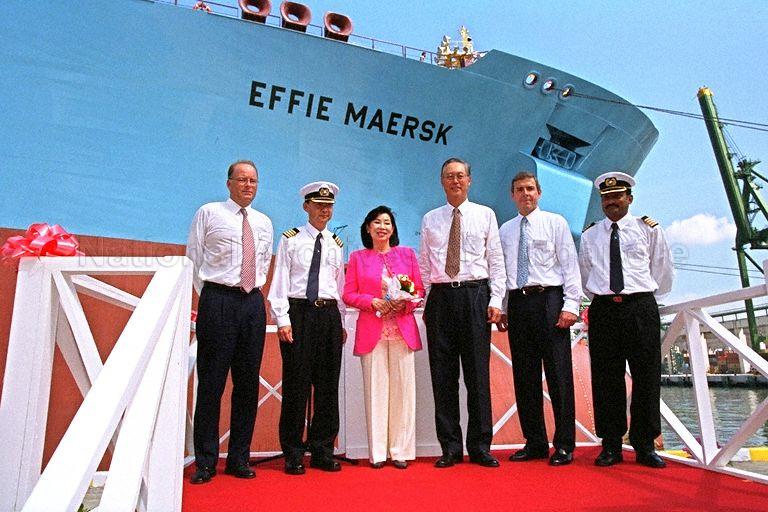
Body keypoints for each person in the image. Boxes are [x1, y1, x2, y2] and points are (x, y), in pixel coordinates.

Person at [186, 160, 273, 484]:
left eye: (253, 180)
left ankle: (239, 458)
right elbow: (193, 258)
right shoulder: (209, 213)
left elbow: (263, 262)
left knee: (247, 384)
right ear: (229, 183)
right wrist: (213, 295)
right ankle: (205, 463)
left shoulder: (264, 223)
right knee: (211, 383)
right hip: (218, 300)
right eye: (242, 180)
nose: (248, 186)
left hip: (252, 302)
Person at [578, 171, 673, 468]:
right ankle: (611, 444)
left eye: (617, 196)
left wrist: (642, 298)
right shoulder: (590, 235)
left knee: (645, 377)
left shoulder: (649, 230)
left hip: (640, 306)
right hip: (605, 309)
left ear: (629, 198)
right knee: (606, 379)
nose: (611, 202)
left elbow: (662, 270)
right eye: (606, 198)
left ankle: (645, 444)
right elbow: (585, 276)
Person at [418, 157, 506, 468]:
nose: (455, 181)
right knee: (443, 377)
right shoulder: (430, 219)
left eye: (460, 176)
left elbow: (495, 260)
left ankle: (480, 445)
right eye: (449, 176)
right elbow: (425, 264)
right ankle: (451, 447)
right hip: (441, 297)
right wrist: (428, 300)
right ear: (441, 182)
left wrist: (496, 299)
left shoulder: (485, 215)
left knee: (477, 376)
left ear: (469, 180)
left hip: (475, 295)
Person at [497, 171, 582, 466]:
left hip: (550, 299)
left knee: (559, 375)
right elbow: (504, 271)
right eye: (519, 189)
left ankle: (564, 444)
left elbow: (570, 265)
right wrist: (503, 306)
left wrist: (571, 304)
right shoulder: (505, 230)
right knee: (524, 376)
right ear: (512, 195)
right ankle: (534, 442)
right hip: (519, 303)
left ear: (539, 192)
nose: (526, 194)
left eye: (530, 189)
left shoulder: (556, 223)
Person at [268, 181, 347, 475]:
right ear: (306, 206)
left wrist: (340, 321)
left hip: (328, 315)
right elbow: (281, 281)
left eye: (329, 206)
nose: (324, 210)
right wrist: (283, 319)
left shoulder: (337, 244)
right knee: (296, 385)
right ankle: (293, 452)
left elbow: (337, 286)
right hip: (299, 314)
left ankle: (323, 449)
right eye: (318, 205)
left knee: (327, 386)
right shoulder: (291, 239)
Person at [342, 205, 424, 469]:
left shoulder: (407, 255)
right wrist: (372, 302)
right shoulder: (357, 257)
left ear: (393, 229)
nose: (382, 227)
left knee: (403, 391)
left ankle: (400, 451)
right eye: (376, 222)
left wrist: (406, 303)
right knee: (376, 391)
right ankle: (377, 452)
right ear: (368, 228)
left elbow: (418, 289)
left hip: (402, 330)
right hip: (372, 331)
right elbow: (348, 293)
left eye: (387, 222)